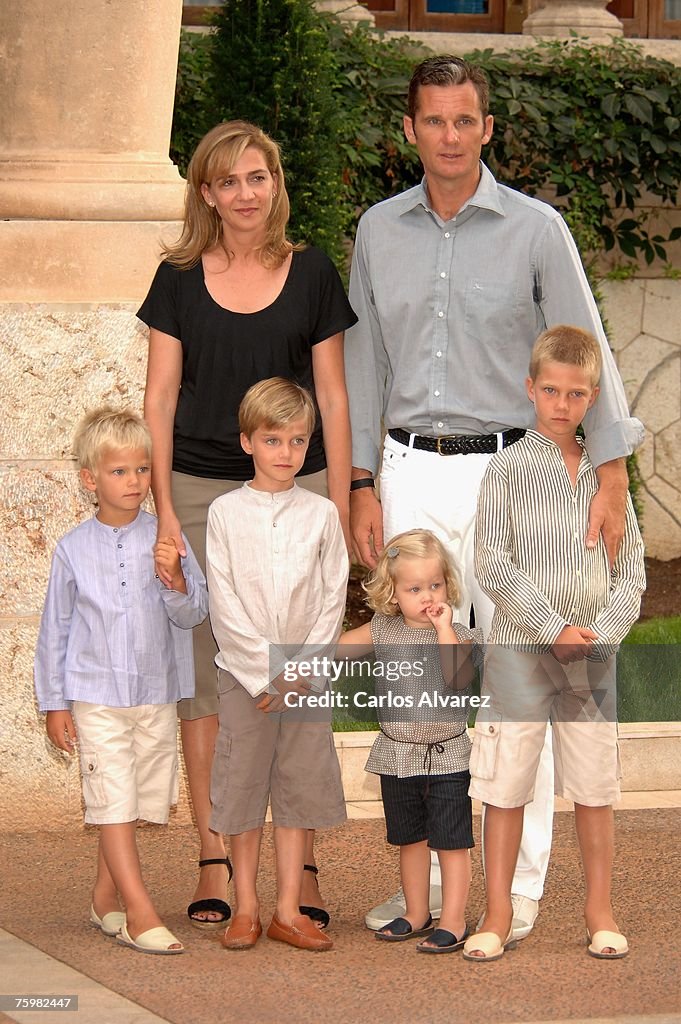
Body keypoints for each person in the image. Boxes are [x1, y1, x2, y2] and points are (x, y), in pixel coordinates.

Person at [344, 55, 644, 938]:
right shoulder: (376, 231)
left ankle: (516, 894)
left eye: (463, 120)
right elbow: (366, 365)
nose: (447, 135)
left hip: (518, 475)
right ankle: (431, 888)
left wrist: (610, 470)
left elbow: (586, 347)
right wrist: (361, 480)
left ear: (485, 128)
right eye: (431, 120)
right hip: (408, 469)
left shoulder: (536, 228)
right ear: (410, 130)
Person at [139, 120, 357, 929]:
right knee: (209, 683)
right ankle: (215, 860)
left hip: (297, 485)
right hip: (197, 489)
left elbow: (331, 399)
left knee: (298, 668)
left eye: (256, 177)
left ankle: (299, 869)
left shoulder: (311, 273)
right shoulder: (177, 279)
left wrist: (337, 506)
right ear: (205, 192)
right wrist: (164, 515)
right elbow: (158, 400)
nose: (244, 194)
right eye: (226, 181)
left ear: (275, 183)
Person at [463, 325, 645, 962]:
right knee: (506, 782)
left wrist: (601, 635)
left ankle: (600, 911)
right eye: (550, 390)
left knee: (594, 787)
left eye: (575, 393)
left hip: (590, 655)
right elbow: (491, 562)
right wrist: (549, 629)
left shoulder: (608, 477)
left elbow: (633, 571)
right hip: (520, 649)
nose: (561, 404)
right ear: (530, 389)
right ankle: (495, 912)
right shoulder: (507, 468)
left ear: (591, 397)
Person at [34, 407, 208, 956]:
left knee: (139, 800)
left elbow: (194, 614)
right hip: (94, 692)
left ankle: (103, 897)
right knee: (111, 796)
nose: (134, 482)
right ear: (90, 480)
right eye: (119, 472)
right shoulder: (72, 549)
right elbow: (54, 629)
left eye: (141, 470)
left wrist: (175, 578)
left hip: (155, 689)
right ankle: (139, 912)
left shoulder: (167, 536)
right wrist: (54, 703)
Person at [205, 378, 348, 951]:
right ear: (247, 442)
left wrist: (300, 671)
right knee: (242, 787)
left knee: (298, 787)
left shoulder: (320, 515)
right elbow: (224, 601)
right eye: (272, 439)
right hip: (244, 678)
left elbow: (332, 595)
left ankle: (289, 908)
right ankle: (246, 906)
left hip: (306, 676)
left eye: (296, 440)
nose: (284, 452)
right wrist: (265, 673)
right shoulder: (224, 513)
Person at [339, 529, 482, 953]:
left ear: (448, 586)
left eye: (434, 585)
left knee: (452, 842)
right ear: (392, 591)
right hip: (397, 755)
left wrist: (442, 629)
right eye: (414, 588)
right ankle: (417, 911)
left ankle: (454, 920)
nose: (426, 596)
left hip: (447, 756)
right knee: (410, 839)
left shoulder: (456, 633)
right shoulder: (382, 629)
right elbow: (337, 648)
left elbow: (458, 681)